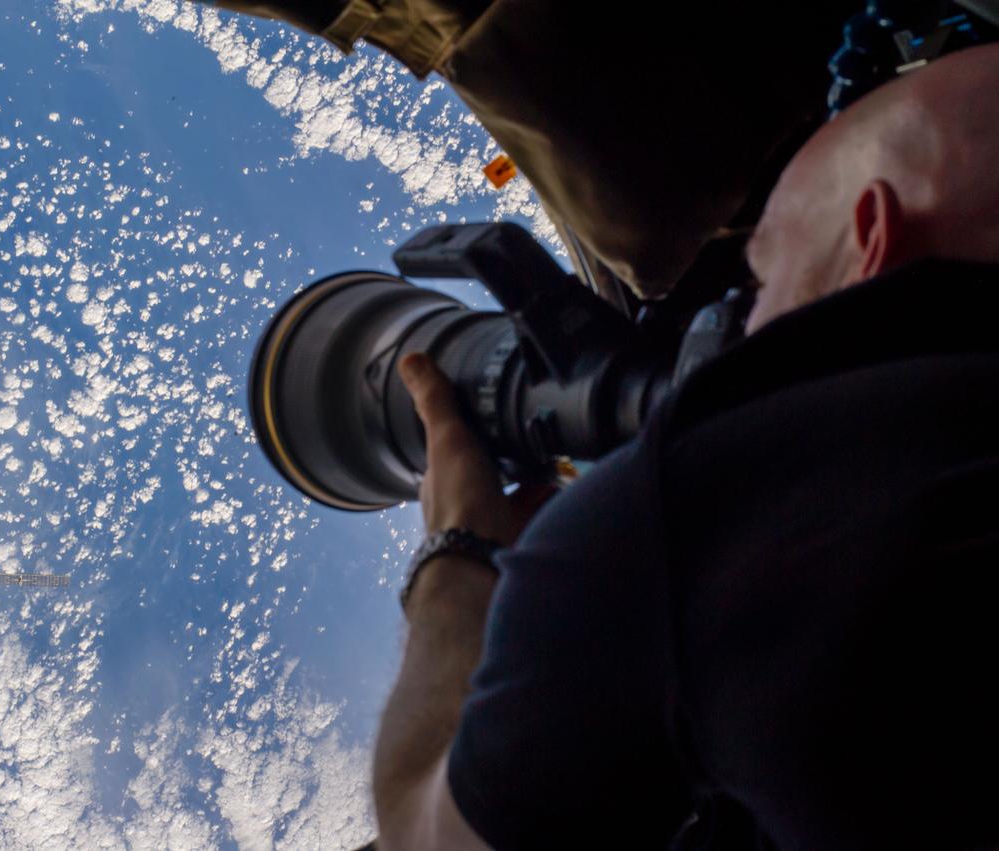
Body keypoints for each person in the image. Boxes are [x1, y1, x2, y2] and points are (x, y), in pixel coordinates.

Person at [372, 42, 999, 850]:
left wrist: (456, 551)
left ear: (869, 240)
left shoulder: (704, 503)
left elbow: (424, 839)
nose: (733, 321)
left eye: (757, 284)